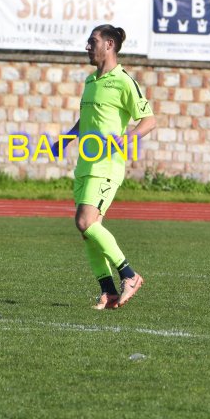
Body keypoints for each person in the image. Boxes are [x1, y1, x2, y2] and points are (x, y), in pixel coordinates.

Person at [62, 25, 157, 310]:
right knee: (88, 229)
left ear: (109, 45)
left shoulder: (124, 81)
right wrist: (65, 140)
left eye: (93, 42)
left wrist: (128, 138)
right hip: (85, 164)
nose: (87, 47)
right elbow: (87, 120)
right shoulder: (91, 81)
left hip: (107, 165)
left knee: (85, 222)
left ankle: (129, 275)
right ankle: (108, 291)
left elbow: (149, 120)